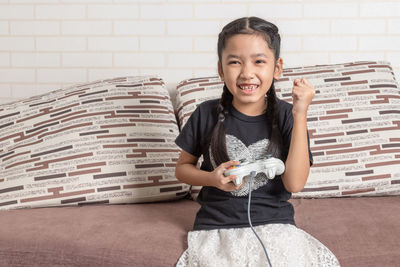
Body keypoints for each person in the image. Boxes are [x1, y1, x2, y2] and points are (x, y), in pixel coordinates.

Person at [174, 16, 340, 267]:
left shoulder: (287, 114)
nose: (247, 73)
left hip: (276, 225)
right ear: (220, 69)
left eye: (259, 61)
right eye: (234, 62)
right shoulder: (206, 113)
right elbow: (181, 169)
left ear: (277, 68)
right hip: (216, 228)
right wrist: (211, 179)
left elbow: (295, 182)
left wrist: (300, 113)